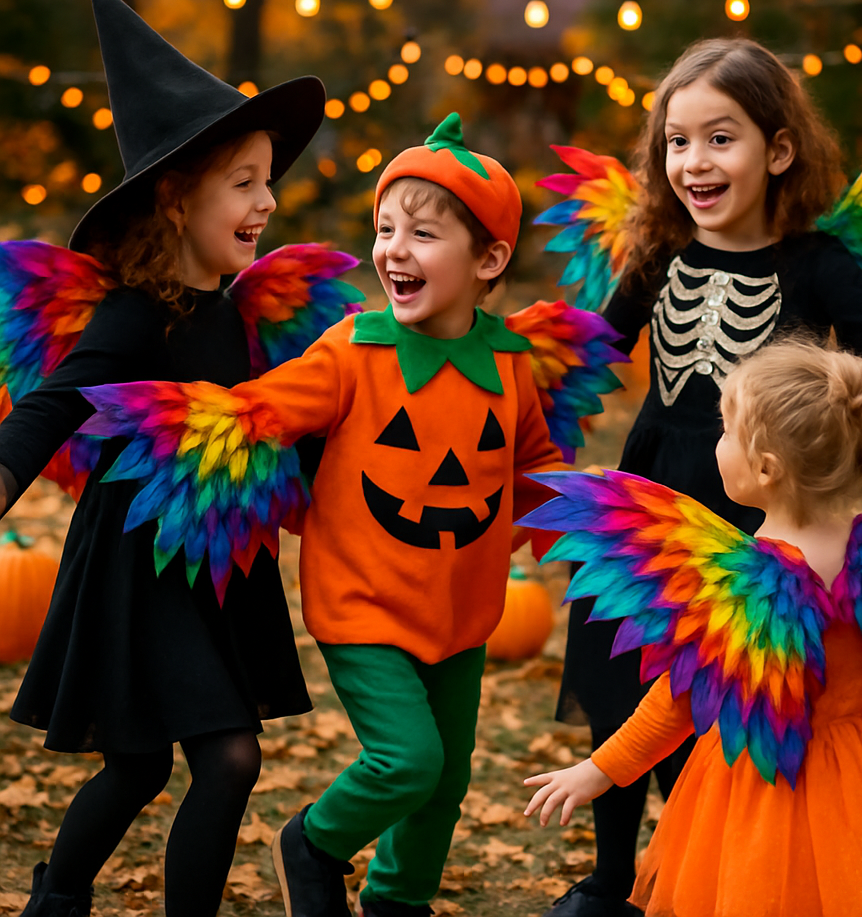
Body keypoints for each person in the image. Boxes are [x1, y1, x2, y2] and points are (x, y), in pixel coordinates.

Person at [78, 113, 596, 917]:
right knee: (408, 760)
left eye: (423, 234)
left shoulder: (510, 364)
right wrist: (181, 414)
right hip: (364, 605)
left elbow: (530, 467)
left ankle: (398, 900)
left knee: (445, 780)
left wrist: (586, 531)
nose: (394, 249)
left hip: (464, 610)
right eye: (386, 229)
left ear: (489, 259)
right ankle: (312, 843)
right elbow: (258, 412)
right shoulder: (354, 351)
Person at [546, 38, 862, 917]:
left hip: (752, 509)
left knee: (720, 695)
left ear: (778, 150)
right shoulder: (656, 252)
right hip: (654, 496)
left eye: (720, 138)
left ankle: (703, 872)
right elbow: (599, 347)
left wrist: (856, 468)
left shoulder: (817, 263)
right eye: (676, 142)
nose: (693, 162)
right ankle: (613, 880)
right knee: (619, 672)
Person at [0, 0, 333, 917]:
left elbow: (287, 422)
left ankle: (55, 896)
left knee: (144, 764)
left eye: (270, 180)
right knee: (222, 758)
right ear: (179, 199)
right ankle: (61, 895)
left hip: (217, 558)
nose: (269, 201)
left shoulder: (241, 312)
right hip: (139, 564)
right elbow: (58, 399)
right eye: (246, 182)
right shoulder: (133, 312)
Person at [524, 323, 862, 917]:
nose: (717, 442)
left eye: (727, 430)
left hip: (766, 780)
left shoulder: (743, 585)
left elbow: (679, 698)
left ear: (766, 469)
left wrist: (601, 769)